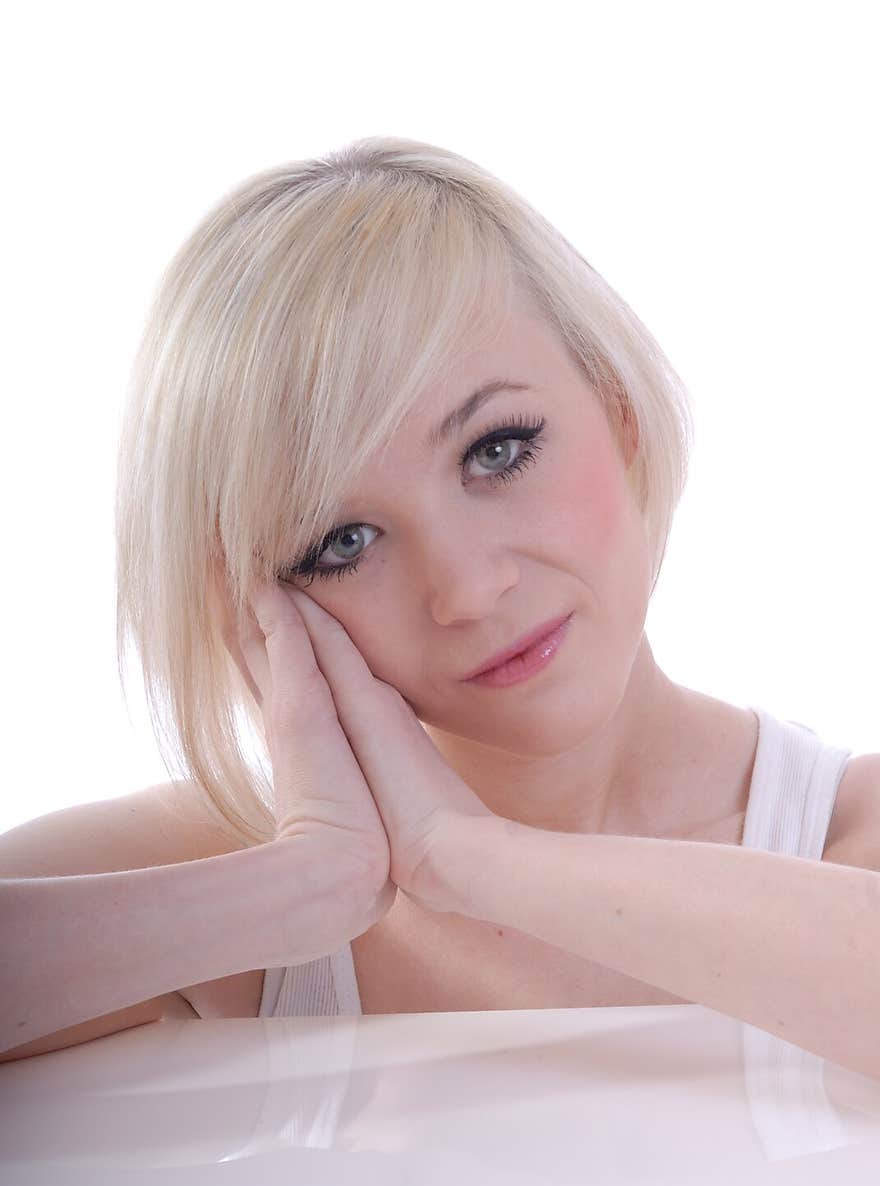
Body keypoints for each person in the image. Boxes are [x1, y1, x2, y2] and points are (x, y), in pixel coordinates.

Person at [1, 136, 878, 1073]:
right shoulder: (215, 876)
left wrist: (470, 856)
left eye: (496, 451)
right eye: (342, 541)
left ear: (619, 415)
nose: (466, 589)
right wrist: (303, 886)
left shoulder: (845, 831)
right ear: (258, 607)